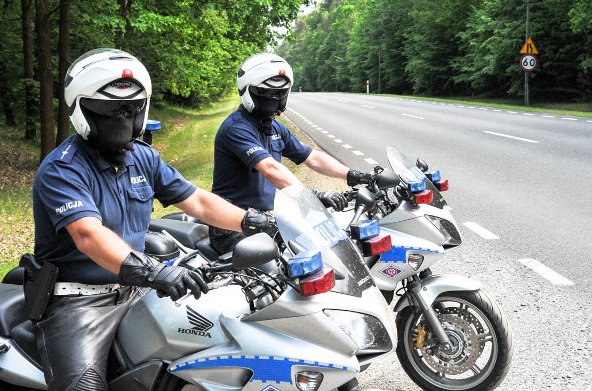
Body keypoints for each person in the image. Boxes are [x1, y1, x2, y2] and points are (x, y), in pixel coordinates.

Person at [31, 48, 272, 391]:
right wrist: (154, 270)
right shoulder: (63, 168)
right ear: (83, 111)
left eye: (131, 110)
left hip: (139, 289)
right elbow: (88, 235)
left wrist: (253, 221)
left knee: (215, 345)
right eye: (112, 110)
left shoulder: (141, 157)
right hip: (79, 302)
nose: (123, 119)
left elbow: (199, 202)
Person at [210, 53, 370, 254]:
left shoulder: (275, 128)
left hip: (266, 219)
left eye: (280, 94)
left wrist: (353, 175)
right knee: (275, 273)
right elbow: (270, 168)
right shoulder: (236, 128)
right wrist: (312, 196)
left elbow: (312, 157)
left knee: (323, 250)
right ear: (249, 92)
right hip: (234, 225)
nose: (274, 99)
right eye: (267, 93)